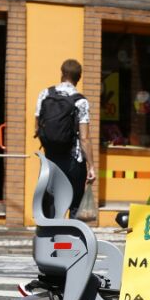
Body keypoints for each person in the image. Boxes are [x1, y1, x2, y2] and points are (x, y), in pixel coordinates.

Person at [35, 58, 96, 218]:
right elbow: (84, 138)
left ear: (62, 74)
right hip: (73, 161)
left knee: (52, 201)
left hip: (51, 158)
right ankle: (73, 240)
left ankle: (51, 239)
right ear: (79, 77)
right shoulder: (80, 101)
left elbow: (37, 128)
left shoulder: (45, 94)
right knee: (75, 204)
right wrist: (91, 166)